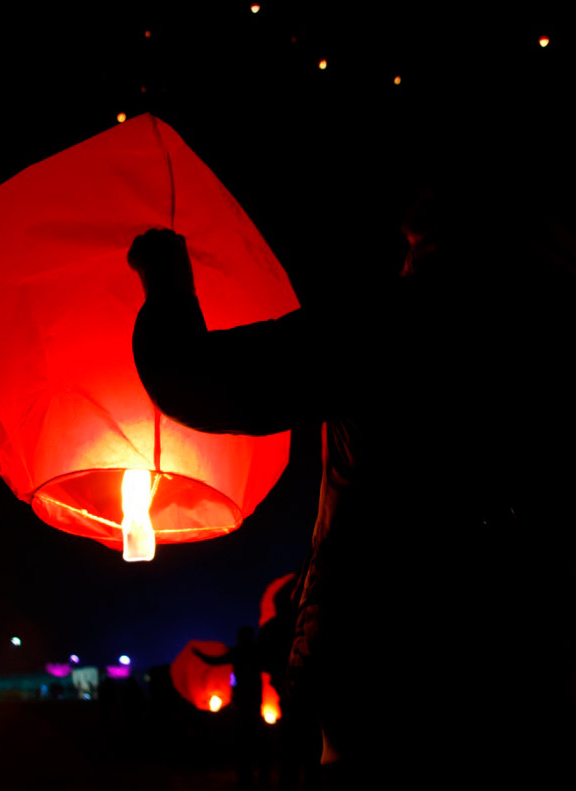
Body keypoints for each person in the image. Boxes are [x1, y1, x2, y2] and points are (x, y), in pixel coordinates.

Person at [127, 172, 575, 786]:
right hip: (528, 660)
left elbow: (201, 381)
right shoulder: (564, 338)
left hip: (382, 657)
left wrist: (166, 285)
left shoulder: (397, 324)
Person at [194, 627, 269, 790]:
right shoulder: (255, 651)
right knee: (257, 736)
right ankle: (262, 773)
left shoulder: (239, 652)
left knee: (243, 738)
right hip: (254, 699)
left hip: (243, 700)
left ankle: (246, 775)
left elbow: (216, 661)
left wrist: (200, 656)